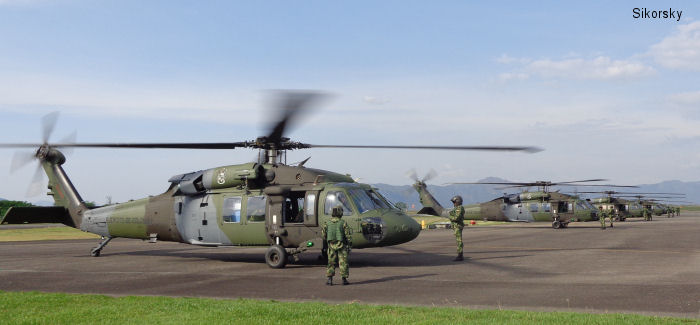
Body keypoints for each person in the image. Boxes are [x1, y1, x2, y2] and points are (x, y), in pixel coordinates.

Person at [322, 205, 352, 286]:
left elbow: (324, 235)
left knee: (331, 262)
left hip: (331, 245)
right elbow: (348, 236)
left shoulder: (327, 223)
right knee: (343, 262)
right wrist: (350, 244)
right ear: (340, 213)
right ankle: (344, 280)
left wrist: (326, 245)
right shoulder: (343, 223)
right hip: (342, 245)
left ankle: (329, 280)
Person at [448, 195, 465, 261]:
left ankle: (460, 255)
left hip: (458, 226)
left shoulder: (459, 208)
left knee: (459, 240)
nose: (454, 203)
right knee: (458, 240)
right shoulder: (456, 208)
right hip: (456, 226)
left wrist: (450, 217)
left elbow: (456, 218)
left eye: (454, 202)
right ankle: (460, 254)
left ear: (458, 202)